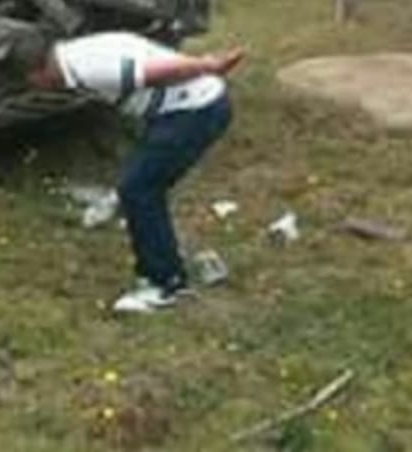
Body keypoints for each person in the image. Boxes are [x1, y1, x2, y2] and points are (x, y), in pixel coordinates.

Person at [16, 30, 244, 313]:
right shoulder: (73, 54)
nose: (33, 88)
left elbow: (155, 72)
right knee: (143, 186)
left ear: (40, 72)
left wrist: (207, 65)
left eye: (30, 82)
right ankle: (164, 254)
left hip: (196, 109)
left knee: (139, 190)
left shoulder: (89, 68)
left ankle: (163, 283)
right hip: (183, 108)